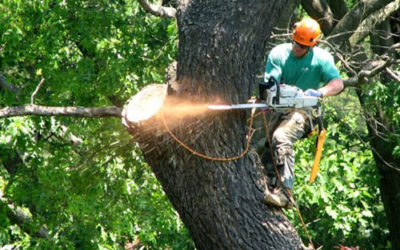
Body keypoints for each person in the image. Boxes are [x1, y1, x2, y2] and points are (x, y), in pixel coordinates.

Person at [262, 17, 344, 208]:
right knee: (260, 143)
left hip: (305, 112)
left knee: (281, 136)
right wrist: (274, 91)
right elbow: (270, 83)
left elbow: (338, 83)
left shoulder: (322, 59)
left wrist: (320, 92)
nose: (297, 48)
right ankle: (269, 184)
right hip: (279, 108)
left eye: (302, 46)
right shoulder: (278, 54)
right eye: (296, 43)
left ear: (312, 45)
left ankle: (286, 193)